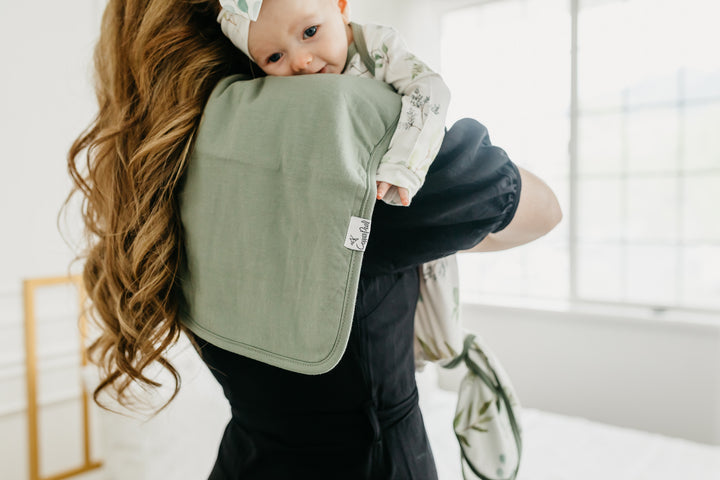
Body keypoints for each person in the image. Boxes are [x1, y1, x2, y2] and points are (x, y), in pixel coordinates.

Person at [65, 1, 562, 479]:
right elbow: (540, 209)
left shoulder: (153, 171)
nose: (302, 62)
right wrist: (427, 225)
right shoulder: (345, 121)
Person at [218, 0, 449, 207]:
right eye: (275, 57)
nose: (300, 61)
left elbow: (430, 88)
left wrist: (402, 165)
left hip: (404, 171)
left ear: (340, 6)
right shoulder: (279, 90)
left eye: (309, 32)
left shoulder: (376, 46)